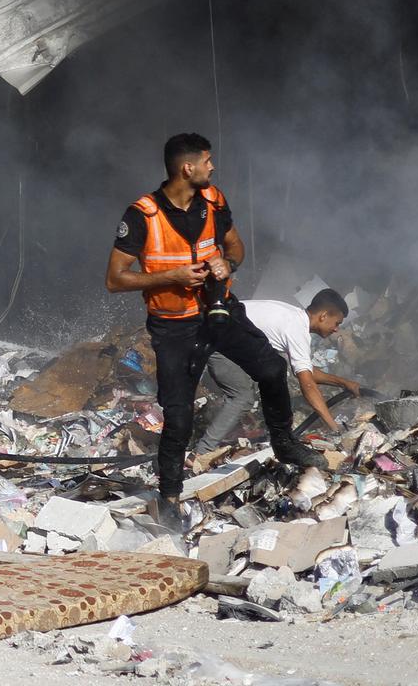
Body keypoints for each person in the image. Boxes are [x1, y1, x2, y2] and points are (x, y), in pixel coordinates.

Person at [104, 133, 327, 535]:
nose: (212, 167)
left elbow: (236, 246)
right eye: (207, 161)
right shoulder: (143, 215)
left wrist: (228, 263)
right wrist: (170, 275)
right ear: (187, 168)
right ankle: (169, 497)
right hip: (173, 326)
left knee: (272, 369)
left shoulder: (213, 201)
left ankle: (284, 442)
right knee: (178, 413)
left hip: (220, 310)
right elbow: (115, 280)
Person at [192, 289, 362, 453]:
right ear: (324, 316)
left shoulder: (294, 318)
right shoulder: (296, 329)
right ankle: (201, 452)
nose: (336, 329)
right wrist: (334, 427)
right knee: (242, 398)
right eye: (337, 323)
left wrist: (343, 382)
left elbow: (307, 371)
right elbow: (307, 384)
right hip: (217, 340)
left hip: (217, 332)